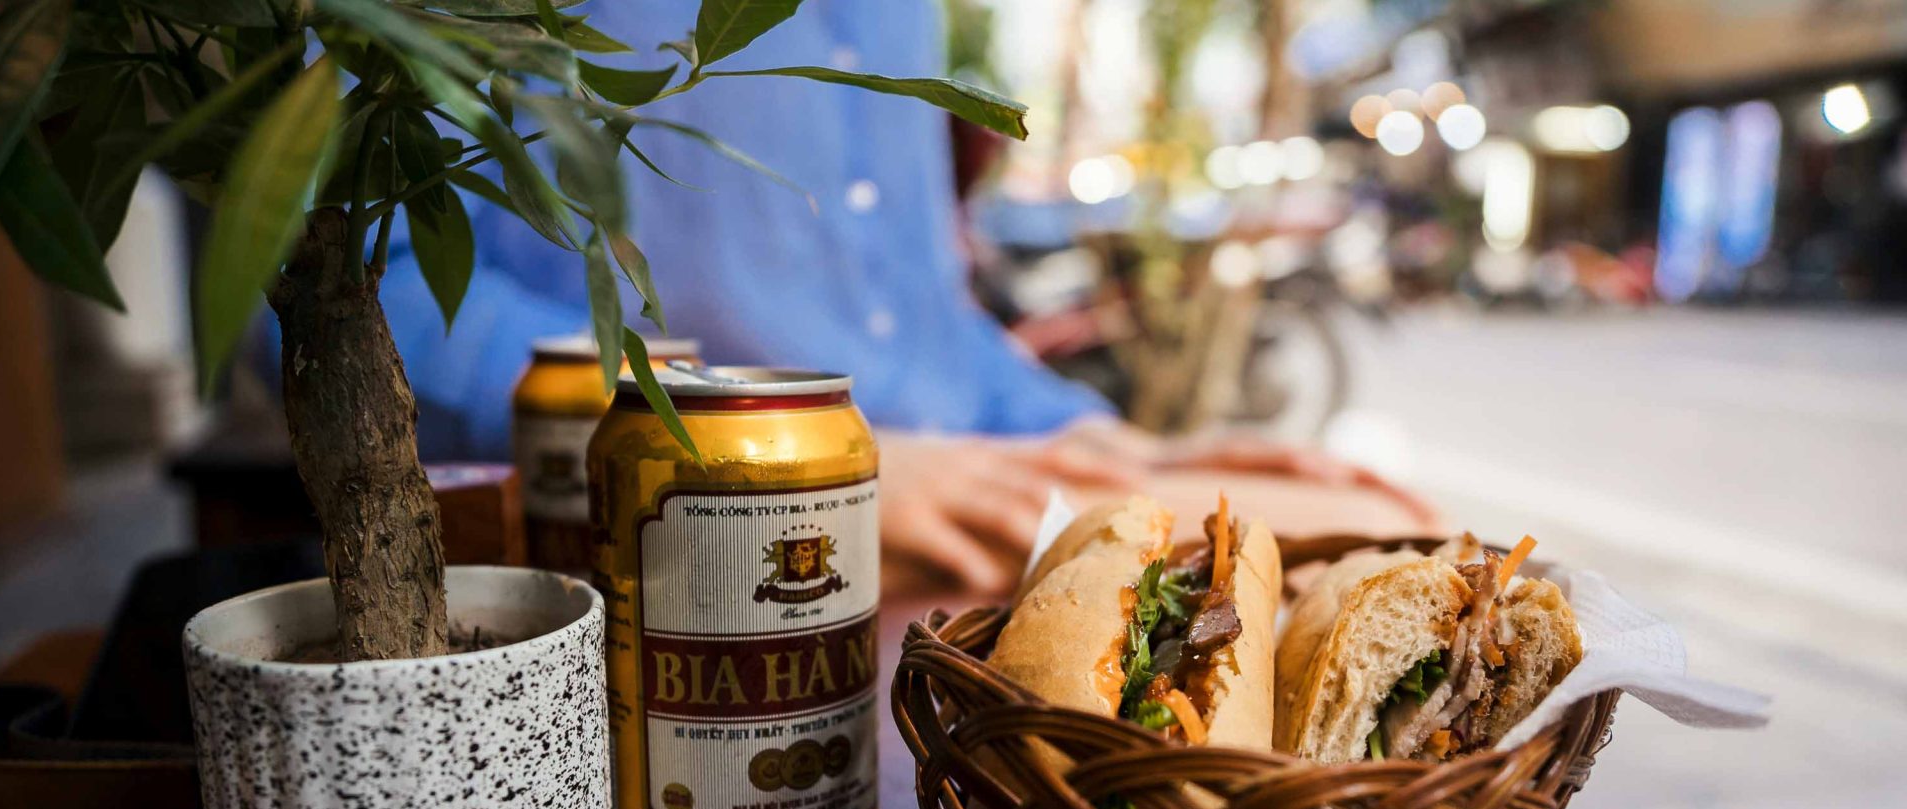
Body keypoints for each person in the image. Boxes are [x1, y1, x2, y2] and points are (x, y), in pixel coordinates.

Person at [368, 0, 1433, 594]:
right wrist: (768, 459)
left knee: (1392, 530)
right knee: (1357, 544)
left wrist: (1095, 435)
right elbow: (373, 294)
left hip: (942, 508)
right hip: (669, 542)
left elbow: (917, 315)